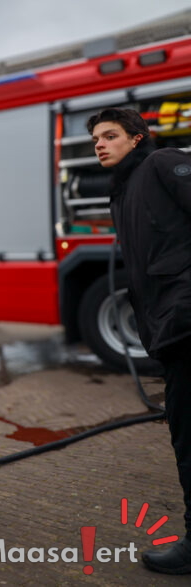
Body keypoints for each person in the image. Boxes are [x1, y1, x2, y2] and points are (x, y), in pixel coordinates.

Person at [89, 107, 191, 575]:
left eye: (110, 135)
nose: (100, 144)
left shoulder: (163, 163)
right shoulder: (125, 189)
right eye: (95, 140)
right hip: (169, 331)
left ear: (137, 137)